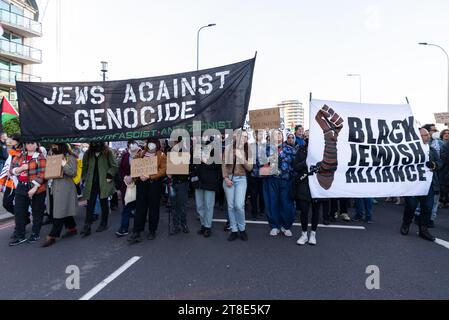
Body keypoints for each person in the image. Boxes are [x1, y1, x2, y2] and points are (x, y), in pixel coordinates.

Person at [400, 128, 440, 241]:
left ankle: (424, 230)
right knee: (411, 205)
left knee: (427, 207)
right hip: (413, 184)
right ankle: (406, 224)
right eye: (425, 135)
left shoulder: (432, 150)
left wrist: (434, 165)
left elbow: (439, 162)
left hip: (428, 185)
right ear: (418, 137)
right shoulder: (409, 149)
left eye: (428, 134)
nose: (428, 136)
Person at [128, 138, 167, 244]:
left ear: (157, 144)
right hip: (141, 184)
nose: (151, 145)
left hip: (154, 184)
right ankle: (137, 231)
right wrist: (137, 175)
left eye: (153, 143)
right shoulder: (141, 153)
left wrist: (150, 176)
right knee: (140, 208)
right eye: (150, 143)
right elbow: (134, 165)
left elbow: (163, 169)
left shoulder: (161, 155)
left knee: (153, 208)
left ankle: (152, 230)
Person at [9, 141, 47, 246]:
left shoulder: (40, 157)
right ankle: (20, 235)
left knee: (37, 211)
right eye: (28, 143)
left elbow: (42, 174)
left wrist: (34, 188)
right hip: (21, 186)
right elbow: (11, 170)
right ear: (25, 145)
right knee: (19, 211)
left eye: (33, 143)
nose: (30, 145)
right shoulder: (20, 155)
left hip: (37, 188)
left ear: (37, 145)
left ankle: (35, 233)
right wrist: (21, 168)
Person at [42, 144, 78, 247]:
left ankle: (52, 236)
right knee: (60, 209)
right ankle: (72, 228)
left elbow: (73, 172)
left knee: (59, 211)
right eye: (52, 145)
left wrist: (63, 163)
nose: (53, 147)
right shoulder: (51, 156)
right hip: (52, 187)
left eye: (55, 146)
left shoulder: (70, 157)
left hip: (64, 189)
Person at [80, 142, 118, 236]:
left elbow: (114, 166)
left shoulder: (107, 152)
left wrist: (110, 174)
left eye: (97, 141)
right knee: (90, 204)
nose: (95, 143)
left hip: (103, 182)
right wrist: (84, 178)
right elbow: (84, 166)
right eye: (93, 142)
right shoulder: (88, 153)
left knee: (103, 202)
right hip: (91, 182)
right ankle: (87, 226)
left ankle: (104, 223)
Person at [263, 130, 296, 237]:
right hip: (271, 180)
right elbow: (259, 166)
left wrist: (290, 176)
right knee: (272, 203)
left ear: (282, 137)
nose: (278, 136)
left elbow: (295, 166)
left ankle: (286, 226)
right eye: (275, 135)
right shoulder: (266, 149)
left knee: (286, 204)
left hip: (286, 181)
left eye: (279, 134)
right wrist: (267, 165)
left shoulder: (290, 149)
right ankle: (274, 226)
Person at [222, 130, 253, 241]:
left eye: (246, 137)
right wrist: (225, 178)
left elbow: (249, 167)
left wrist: (241, 158)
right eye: (242, 136)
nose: (244, 139)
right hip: (229, 179)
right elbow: (223, 165)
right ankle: (234, 230)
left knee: (239, 205)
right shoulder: (229, 148)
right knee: (230, 206)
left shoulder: (248, 149)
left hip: (241, 179)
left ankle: (242, 228)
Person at [193, 139, 221, 238]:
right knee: (199, 206)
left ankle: (207, 227)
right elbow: (193, 165)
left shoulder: (214, 149)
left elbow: (217, 165)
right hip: (198, 182)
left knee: (208, 205)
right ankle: (203, 225)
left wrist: (206, 161)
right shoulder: (197, 148)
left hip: (210, 182)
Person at [293, 139, 319, 245]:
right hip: (304, 185)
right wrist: (305, 162)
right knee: (304, 211)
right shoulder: (301, 151)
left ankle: (313, 234)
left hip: (318, 185)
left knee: (316, 211)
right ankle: (304, 234)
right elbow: (295, 167)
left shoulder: (321, 152)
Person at [115, 140, 140, 237]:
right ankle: (124, 227)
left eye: (134, 144)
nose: (132, 146)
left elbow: (143, 169)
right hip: (127, 186)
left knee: (138, 207)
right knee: (126, 206)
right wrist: (125, 176)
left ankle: (137, 228)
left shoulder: (142, 155)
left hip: (138, 185)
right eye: (130, 144)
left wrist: (133, 177)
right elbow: (121, 168)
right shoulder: (125, 155)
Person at [168, 137, 190, 235]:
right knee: (174, 206)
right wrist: (168, 173)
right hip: (173, 183)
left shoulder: (185, 152)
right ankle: (176, 225)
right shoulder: (169, 151)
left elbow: (187, 166)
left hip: (182, 183)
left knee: (182, 205)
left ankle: (184, 224)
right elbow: (168, 168)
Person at [248, 130, 266, 219]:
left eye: (261, 134)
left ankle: (262, 209)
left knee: (262, 194)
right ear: (254, 135)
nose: (259, 136)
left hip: (263, 175)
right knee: (253, 194)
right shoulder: (250, 146)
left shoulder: (265, 146)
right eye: (257, 134)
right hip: (253, 174)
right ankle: (254, 212)